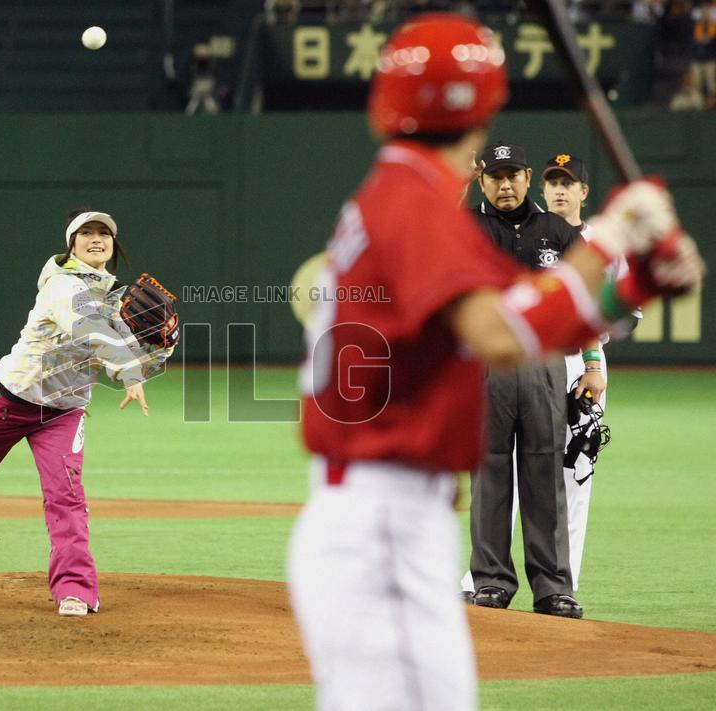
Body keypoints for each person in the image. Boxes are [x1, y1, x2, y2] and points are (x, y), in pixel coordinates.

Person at [287, 12, 704, 711]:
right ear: (482, 114)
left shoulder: (394, 197)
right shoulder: (416, 204)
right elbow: (503, 331)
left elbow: (527, 309)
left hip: (374, 516)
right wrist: (609, 240)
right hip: (382, 522)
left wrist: (628, 281)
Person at [0, 210, 177, 618]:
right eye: (86, 233)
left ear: (113, 244)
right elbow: (88, 331)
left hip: (64, 412)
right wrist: (128, 371)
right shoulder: (61, 285)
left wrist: (162, 347)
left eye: (104, 233)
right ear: (71, 243)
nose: (96, 239)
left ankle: (75, 589)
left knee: (67, 496)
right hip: (14, 397)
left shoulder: (116, 298)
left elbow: (132, 360)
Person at [466, 142, 585, 618]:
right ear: (483, 182)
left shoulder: (557, 231)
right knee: (489, 474)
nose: (505, 183)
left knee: (543, 474)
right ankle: (492, 580)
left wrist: (590, 368)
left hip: (545, 363)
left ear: (528, 176)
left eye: (513, 174)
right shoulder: (465, 228)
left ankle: (553, 587)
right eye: (496, 176)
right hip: (485, 364)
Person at [542, 152, 641, 590]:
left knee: (575, 475)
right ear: (541, 188)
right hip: (528, 363)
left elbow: (628, 311)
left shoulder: (605, 242)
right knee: (507, 472)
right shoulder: (528, 232)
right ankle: (482, 577)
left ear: (584, 191)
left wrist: (593, 345)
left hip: (584, 366)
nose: (559, 189)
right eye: (552, 182)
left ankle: (565, 582)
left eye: (568, 182)